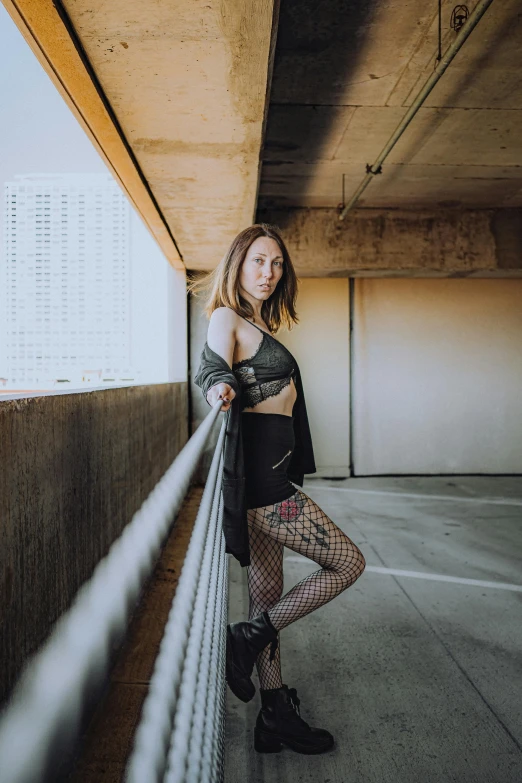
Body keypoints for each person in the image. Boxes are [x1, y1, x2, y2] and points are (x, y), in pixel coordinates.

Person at [192, 223, 366, 755]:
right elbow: (212, 366)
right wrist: (218, 386)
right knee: (348, 563)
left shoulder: (255, 322)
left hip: (272, 476)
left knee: (267, 592)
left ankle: (274, 715)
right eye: (257, 262)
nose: (267, 273)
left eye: (276, 264)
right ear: (237, 265)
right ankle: (245, 638)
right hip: (264, 488)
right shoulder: (227, 317)